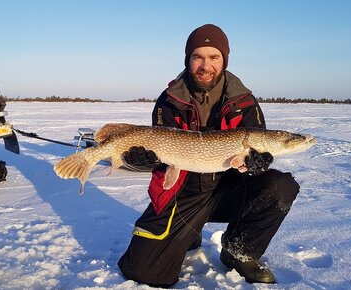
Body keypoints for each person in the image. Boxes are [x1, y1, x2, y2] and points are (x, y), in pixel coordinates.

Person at [117, 24, 300, 287]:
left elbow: (259, 146)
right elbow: (159, 149)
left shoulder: (245, 101)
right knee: (145, 272)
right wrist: (145, 159)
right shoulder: (169, 100)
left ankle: (239, 253)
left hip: (230, 187)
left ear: (224, 60)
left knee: (280, 187)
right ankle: (190, 230)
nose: (205, 65)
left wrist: (259, 162)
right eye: (197, 57)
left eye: (214, 57)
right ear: (188, 60)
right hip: (186, 191)